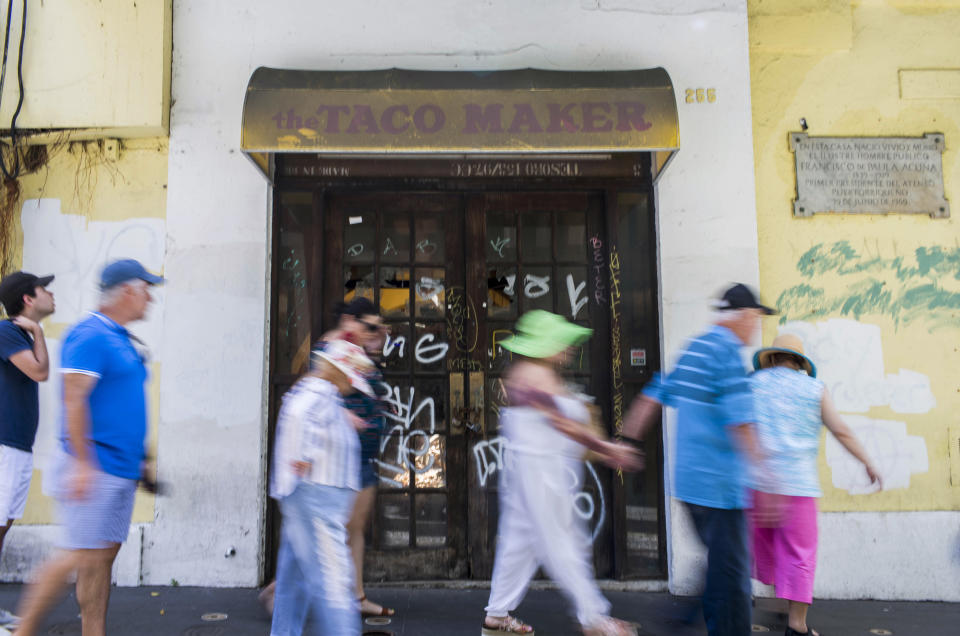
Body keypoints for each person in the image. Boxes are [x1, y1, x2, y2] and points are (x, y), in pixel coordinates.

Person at [14, 259, 163, 636]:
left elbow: (125, 404)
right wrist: (82, 465)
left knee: (99, 559)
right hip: (93, 466)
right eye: (147, 289)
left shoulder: (120, 338)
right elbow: (73, 400)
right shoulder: (90, 334)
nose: (150, 298)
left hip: (119, 468)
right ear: (127, 291)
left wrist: (142, 460)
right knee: (74, 556)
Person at [622, 283, 776, 636]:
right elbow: (741, 424)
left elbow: (653, 395)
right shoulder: (727, 355)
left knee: (722, 566)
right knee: (734, 584)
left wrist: (628, 440)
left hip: (690, 487)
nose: (756, 326)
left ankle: (682, 619)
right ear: (744, 316)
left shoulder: (694, 348)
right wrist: (768, 480)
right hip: (721, 489)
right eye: (755, 318)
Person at [483, 310, 642, 636]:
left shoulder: (537, 372)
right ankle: (595, 618)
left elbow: (565, 425)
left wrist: (602, 449)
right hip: (541, 473)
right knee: (564, 542)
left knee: (519, 543)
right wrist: (608, 449)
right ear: (546, 344)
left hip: (536, 472)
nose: (568, 348)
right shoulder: (531, 375)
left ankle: (497, 615)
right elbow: (562, 423)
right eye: (562, 342)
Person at [259, 298, 395, 618]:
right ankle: (290, 593)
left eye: (378, 326)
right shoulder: (332, 353)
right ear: (350, 320)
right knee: (333, 532)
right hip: (336, 461)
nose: (375, 331)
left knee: (354, 527)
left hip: (357, 454)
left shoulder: (358, 348)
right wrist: (344, 417)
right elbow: (316, 399)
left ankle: (355, 597)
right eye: (370, 325)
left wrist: (378, 338)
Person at [748, 334, 882, 636]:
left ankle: (754, 605)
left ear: (771, 359)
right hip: (799, 488)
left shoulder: (753, 385)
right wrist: (867, 461)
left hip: (759, 486)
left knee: (755, 549)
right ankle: (797, 626)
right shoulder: (814, 389)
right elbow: (841, 431)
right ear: (799, 363)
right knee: (800, 555)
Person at [269, 339, 374, 636]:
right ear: (339, 372)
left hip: (307, 494)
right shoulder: (320, 392)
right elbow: (301, 418)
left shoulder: (322, 392)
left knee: (294, 578)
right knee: (333, 580)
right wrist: (302, 457)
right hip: (316, 496)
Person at [0, 272, 56, 629]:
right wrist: (37, 333)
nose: (50, 293)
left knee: (3, 528)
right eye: (43, 289)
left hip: (17, 447)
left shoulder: (21, 334)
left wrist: (36, 333)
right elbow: (39, 372)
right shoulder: (8, 333)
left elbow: (41, 372)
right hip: (5, 447)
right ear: (27, 299)